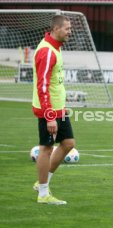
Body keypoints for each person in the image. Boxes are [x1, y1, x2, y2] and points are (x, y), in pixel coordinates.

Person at [32, 15, 75, 204]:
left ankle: (42, 182)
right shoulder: (47, 52)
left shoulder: (55, 48)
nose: (70, 32)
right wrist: (49, 115)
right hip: (48, 111)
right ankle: (43, 194)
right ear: (56, 29)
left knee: (68, 143)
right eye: (67, 28)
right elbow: (42, 86)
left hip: (59, 109)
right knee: (47, 148)